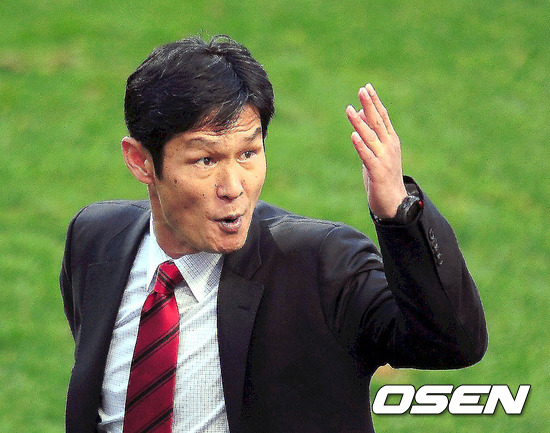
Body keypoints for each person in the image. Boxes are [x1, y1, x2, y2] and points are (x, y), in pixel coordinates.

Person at [59, 35, 487, 433]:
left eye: (248, 153)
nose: (233, 187)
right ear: (140, 162)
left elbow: (452, 343)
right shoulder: (95, 239)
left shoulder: (320, 265)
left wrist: (398, 211)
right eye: (206, 160)